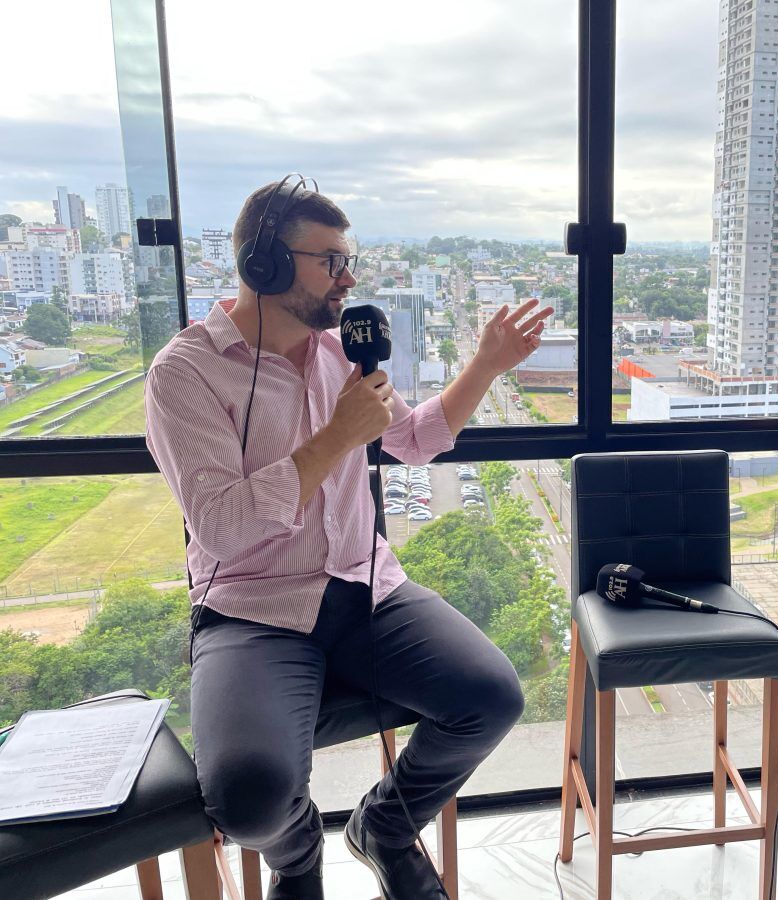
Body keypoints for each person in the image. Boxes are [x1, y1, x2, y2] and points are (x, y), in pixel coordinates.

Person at [145, 180, 552, 899]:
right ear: (263, 263)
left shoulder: (342, 354)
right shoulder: (186, 372)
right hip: (252, 610)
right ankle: (298, 858)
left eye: (349, 259)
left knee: (491, 698)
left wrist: (485, 366)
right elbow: (224, 528)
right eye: (331, 260)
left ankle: (384, 828)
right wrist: (336, 438)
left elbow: (416, 440)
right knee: (249, 804)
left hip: (367, 590)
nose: (349, 278)